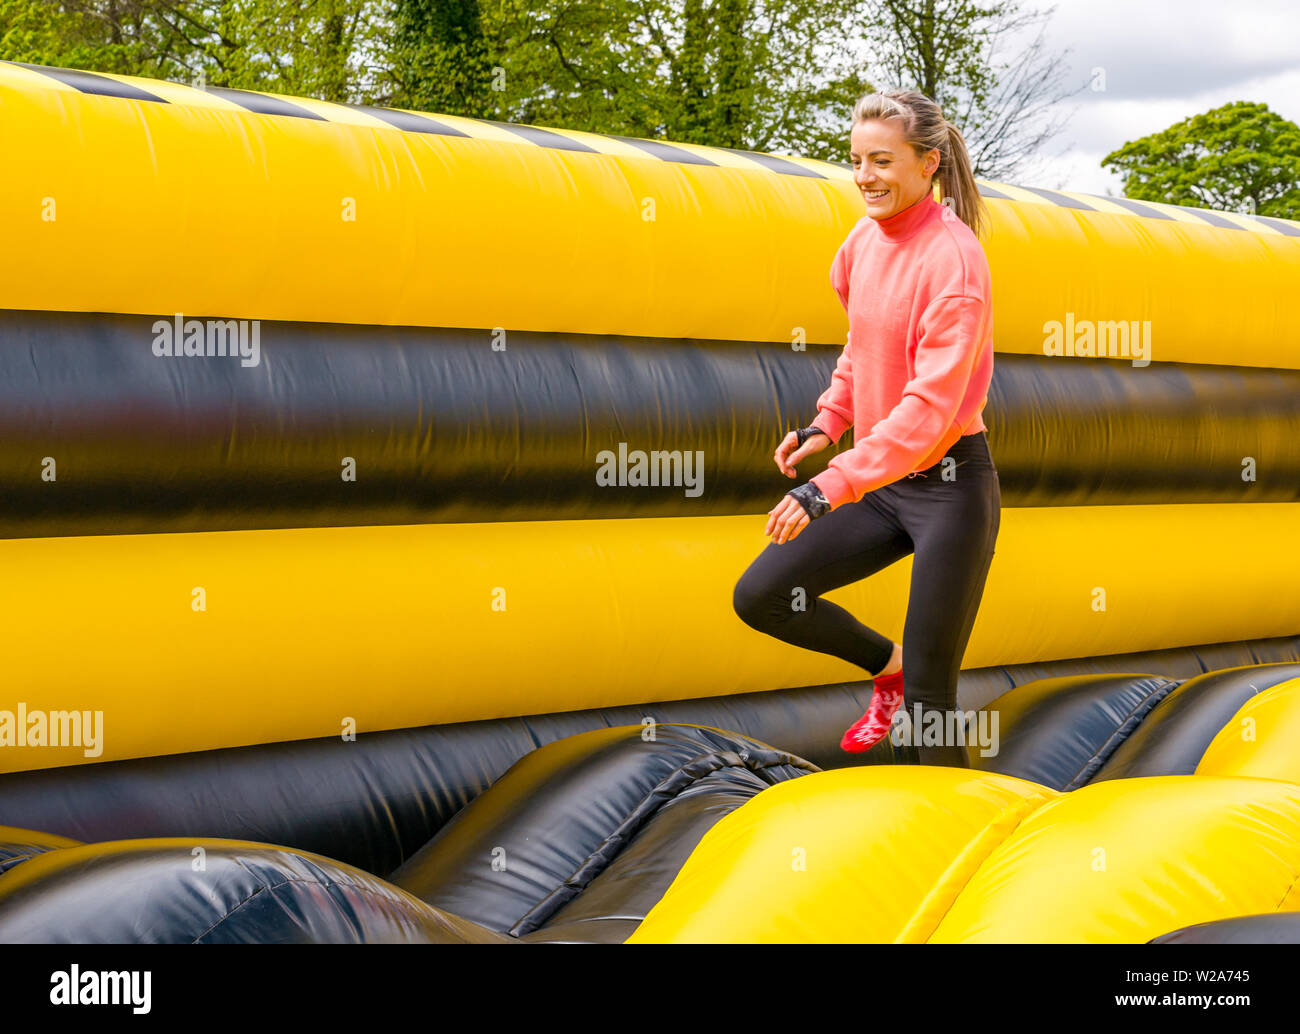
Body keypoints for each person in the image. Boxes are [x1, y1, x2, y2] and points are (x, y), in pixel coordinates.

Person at [732, 89, 1000, 767]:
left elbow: (928, 410)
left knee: (931, 705)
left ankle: (955, 834)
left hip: (949, 487)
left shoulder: (955, 264)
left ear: (927, 164)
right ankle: (887, 667)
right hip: (881, 482)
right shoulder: (861, 245)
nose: (864, 176)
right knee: (763, 596)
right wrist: (828, 424)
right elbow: (864, 348)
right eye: (856, 160)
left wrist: (829, 485)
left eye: (881, 161)